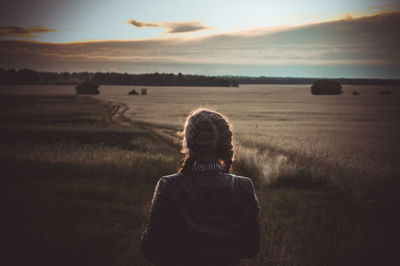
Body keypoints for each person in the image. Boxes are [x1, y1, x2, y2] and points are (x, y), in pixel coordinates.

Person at [141, 108, 260, 266]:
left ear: (188, 143)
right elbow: (251, 248)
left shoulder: (169, 186)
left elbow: (151, 249)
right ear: (225, 143)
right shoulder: (244, 186)